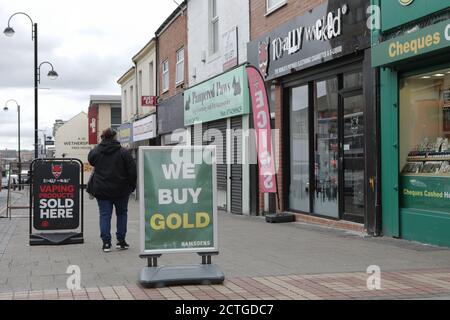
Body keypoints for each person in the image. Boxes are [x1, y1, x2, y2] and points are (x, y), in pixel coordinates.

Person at [88, 128, 137, 252]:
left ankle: (106, 243)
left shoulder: (96, 151)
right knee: (121, 214)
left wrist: (100, 145)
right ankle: (121, 241)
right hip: (121, 190)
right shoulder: (123, 152)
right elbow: (132, 171)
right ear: (115, 137)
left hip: (102, 190)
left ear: (103, 137)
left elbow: (91, 160)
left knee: (104, 215)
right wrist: (132, 186)